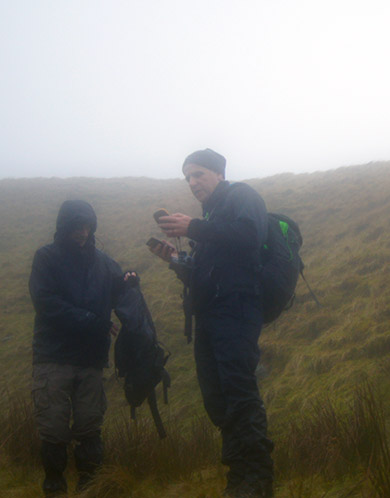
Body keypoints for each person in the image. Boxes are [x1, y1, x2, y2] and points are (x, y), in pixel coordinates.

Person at [149, 148, 273, 497]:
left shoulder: (241, 196)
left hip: (236, 311)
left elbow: (250, 236)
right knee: (217, 400)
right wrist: (176, 261)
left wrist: (195, 227)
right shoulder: (212, 214)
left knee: (239, 392)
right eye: (187, 177)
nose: (192, 182)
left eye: (198, 174)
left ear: (218, 173)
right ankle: (240, 477)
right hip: (209, 317)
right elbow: (207, 274)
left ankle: (257, 481)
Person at [29, 200, 136, 495]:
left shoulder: (103, 262)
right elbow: (46, 303)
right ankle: (54, 486)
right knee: (53, 428)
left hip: (90, 359)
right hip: (54, 357)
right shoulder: (46, 258)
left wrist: (128, 281)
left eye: (87, 227)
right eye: (77, 227)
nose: (83, 233)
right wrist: (93, 322)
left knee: (90, 427)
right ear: (64, 228)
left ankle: (90, 487)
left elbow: (116, 291)